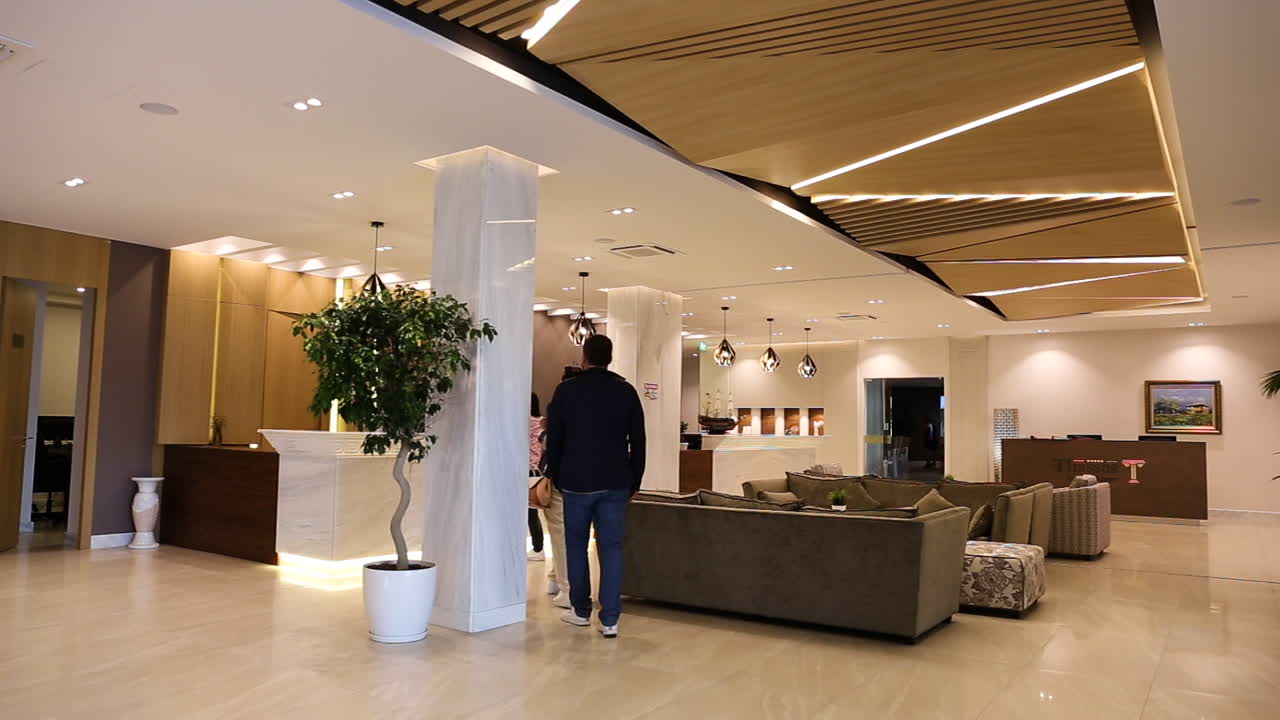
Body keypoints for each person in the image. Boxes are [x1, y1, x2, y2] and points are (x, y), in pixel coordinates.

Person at [544, 335, 645, 638]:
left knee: (576, 546)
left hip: (576, 482)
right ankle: (610, 619)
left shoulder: (566, 391)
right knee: (611, 548)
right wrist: (635, 480)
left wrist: (554, 474)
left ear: (585, 357)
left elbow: (555, 438)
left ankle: (580, 610)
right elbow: (638, 440)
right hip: (615, 481)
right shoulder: (626, 391)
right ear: (610, 358)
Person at [528, 393, 546, 562]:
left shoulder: (524, 423)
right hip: (538, 470)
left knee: (529, 513)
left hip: (527, 470)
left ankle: (538, 548)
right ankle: (538, 547)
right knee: (532, 511)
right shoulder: (542, 422)